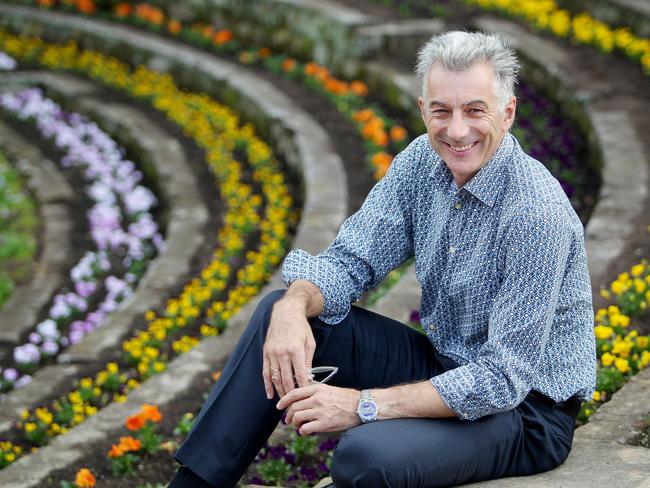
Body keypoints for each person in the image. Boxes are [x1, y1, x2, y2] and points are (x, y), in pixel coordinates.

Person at [169, 31, 596, 488]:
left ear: (506, 113)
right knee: (281, 314)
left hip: (524, 411)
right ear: (422, 110)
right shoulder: (421, 162)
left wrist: (361, 405)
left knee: (365, 457)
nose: (456, 130)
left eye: (475, 110)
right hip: (446, 362)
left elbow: (501, 379)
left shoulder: (535, 214)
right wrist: (294, 304)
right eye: (441, 111)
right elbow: (352, 259)